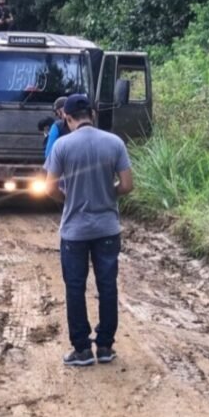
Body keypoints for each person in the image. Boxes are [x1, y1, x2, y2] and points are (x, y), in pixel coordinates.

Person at [43, 94, 134, 366]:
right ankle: (105, 346)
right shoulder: (114, 142)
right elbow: (127, 185)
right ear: (92, 114)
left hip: (74, 231)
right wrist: (108, 194)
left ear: (67, 118)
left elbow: (49, 188)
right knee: (107, 286)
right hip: (107, 229)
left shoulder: (62, 146)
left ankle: (81, 350)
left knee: (75, 287)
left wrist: (68, 200)